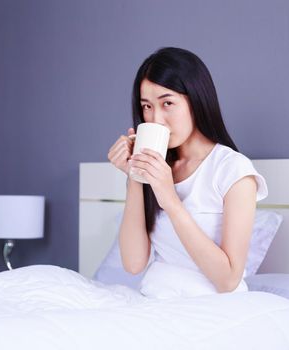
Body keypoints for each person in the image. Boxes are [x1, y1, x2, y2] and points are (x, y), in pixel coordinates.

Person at [107, 47, 268, 294]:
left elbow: (228, 281)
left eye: (167, 103)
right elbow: (133, 264)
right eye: (147, 106)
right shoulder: (160, 166)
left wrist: (170, 200)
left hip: (210, 309)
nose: (155, 119)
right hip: (154, 302)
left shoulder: (233, 170)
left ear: (197, 100)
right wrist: (135, 178)